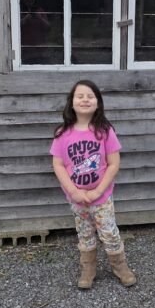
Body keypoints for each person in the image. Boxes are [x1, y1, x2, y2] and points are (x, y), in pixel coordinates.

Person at [49, 80, 136, 289]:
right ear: (71, 102)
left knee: (109, 231)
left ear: (98, 103)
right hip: (77, 199)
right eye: (80, 96)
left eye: (90, 96)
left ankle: (120, 266)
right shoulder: (62, 134)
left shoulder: (104, 131)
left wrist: (98, 190)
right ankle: (88, 269)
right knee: (85, 233)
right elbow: (58, 165)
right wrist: (74, 191)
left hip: (102, 197)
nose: (85, 100)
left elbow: (114, 164)